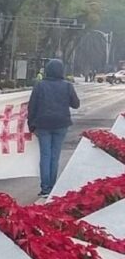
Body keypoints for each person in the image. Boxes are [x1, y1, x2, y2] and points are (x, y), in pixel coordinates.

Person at [28, 59, 80, 198]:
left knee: (45, 155)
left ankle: (45, 188)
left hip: (43, 124)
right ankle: (52, 186)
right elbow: (76, 104)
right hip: (61, 124)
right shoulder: (67, 86)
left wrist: (31, 124)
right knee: (55, 157)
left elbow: (32, 106)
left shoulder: (40, 85)